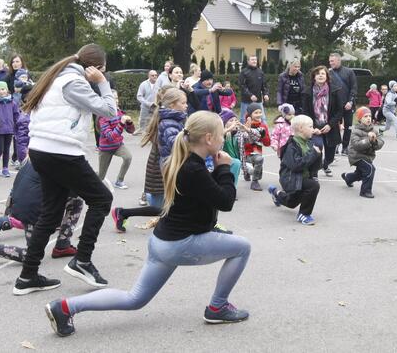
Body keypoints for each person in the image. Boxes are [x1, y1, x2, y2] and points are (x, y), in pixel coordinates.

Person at [44, 111, 251, 337]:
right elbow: (226, 201)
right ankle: (217, 307)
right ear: (209, 138)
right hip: (180, 244)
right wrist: (225, 169)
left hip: (162, 242)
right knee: (242, 247)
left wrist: (217, 169)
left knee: (134, 298)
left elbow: (208, 194)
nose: (224, 140)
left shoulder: (185, 161)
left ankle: (65, 307)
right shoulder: (193, 168)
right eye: (222, 135)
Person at [12, 43, 117, 296]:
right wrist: (102, 83)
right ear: (95, 68)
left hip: (41, 151)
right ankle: (82, 261)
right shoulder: (74, 82)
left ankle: (27, 276)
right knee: (102, 199)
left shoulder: (55, 78)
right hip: (62, 152)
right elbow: (109, 111)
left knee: (50, 214)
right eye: (101, 71)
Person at [0, 160, 83, 271]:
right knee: (31, 255)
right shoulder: (66, 162)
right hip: (32, 209)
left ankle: (62, 245)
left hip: (21, 204)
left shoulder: (43, 153)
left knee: (76, 200)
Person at [111, 87, 187, 232]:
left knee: (171, 206)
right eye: (183, 102)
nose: (186, 105)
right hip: (160, 167)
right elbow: (172, 144)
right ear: (171, 104)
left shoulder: (168, 117)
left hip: (163, 165)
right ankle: (123, 213)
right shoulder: (166, 121)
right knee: (162, 208)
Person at [268, 114, 322, 225]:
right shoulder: (291, 146)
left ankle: (276, 194)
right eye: (310, 127)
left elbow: (316, 167)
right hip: (290, 178)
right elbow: (296, 165)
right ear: (301, 128)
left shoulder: (309, 143)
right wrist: (313, 154)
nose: (313, 129)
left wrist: (318, 154)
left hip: (302, 177)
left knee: (291, 203)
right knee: (313, 185)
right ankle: (304, 214)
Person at [302, 65, 343, 177]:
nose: (320, 75)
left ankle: (325, 165)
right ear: (314, 77)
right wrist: (313, 127)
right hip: (314, 127)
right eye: (318, 73)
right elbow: (305, 111)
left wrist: (330, 125)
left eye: (323, 73)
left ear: (327, 77)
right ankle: (313, 173)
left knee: (330, 156)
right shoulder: (307, 92)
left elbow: (340, 110)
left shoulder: (335, 90)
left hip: (330, 126)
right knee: (317, 149)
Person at [342, 107, 384, 198]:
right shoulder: (356, 131)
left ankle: (348, 178)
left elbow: (381, 143)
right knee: (370, 169)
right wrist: (368, 140)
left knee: (361, 173)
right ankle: (365, 191)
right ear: (360, 119)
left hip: (367, 156)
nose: (368, 118)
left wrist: (374, 141)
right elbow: (357, 145)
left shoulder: (374, 130)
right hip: (356, 156)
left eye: (370, 116)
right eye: (365, 116)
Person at [97, 90, 135, 189]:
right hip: (105, 148)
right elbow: (111, 137)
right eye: (113, 99)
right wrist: (121, 123)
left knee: (128, 157)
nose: (116, 101)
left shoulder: (120, 113)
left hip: (118, 145)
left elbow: (131, 131)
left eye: (117, 98)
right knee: (101, 175)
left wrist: (130, 123)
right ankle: (89, 180)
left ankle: (119, 181)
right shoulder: (103, 117)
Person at [329, 52, 357, 155]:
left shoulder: (349, 72)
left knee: (348, 127)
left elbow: (354, 88)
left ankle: (345, 147)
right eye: (330, 61)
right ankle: (336, 145)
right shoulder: (329, 73)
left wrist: (350, 101)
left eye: (332, 61)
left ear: (338, 60)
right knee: (335, 127)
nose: (330, 63)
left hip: (348, 105)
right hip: (335, 106)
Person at [0, 81, 20, 178]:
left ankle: (5, 168)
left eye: (3, 89)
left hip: (9, 130)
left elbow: (16, 115)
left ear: (7, 90)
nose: (1, 91)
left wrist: (17, 127)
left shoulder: (13, 102)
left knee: (6, 150)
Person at [242, 103, 270, 191]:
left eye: (260, 112)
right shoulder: (244, 125)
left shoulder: (263, 126)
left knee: (259, 160)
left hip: (257, 152)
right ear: (250, 114)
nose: (258, 115)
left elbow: (267, 143)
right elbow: (242, 141)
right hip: (245, 153)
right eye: (256, 113)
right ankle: (249, 174)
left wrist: (263, 135)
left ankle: (255, 179)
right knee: (251, 167)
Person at [238, 55, 269, 122]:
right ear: (248, 61)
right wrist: (250, 95)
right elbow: (242, 86)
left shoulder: (260, 72)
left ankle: (265, 132)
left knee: (263, 119)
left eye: (255, 59)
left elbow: (264, 85)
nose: (254, 61)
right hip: (246, 101)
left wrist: (265, 94)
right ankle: (242, 132)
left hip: (258, 100)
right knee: (243, 119)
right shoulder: (244, 72)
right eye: (252, 60)